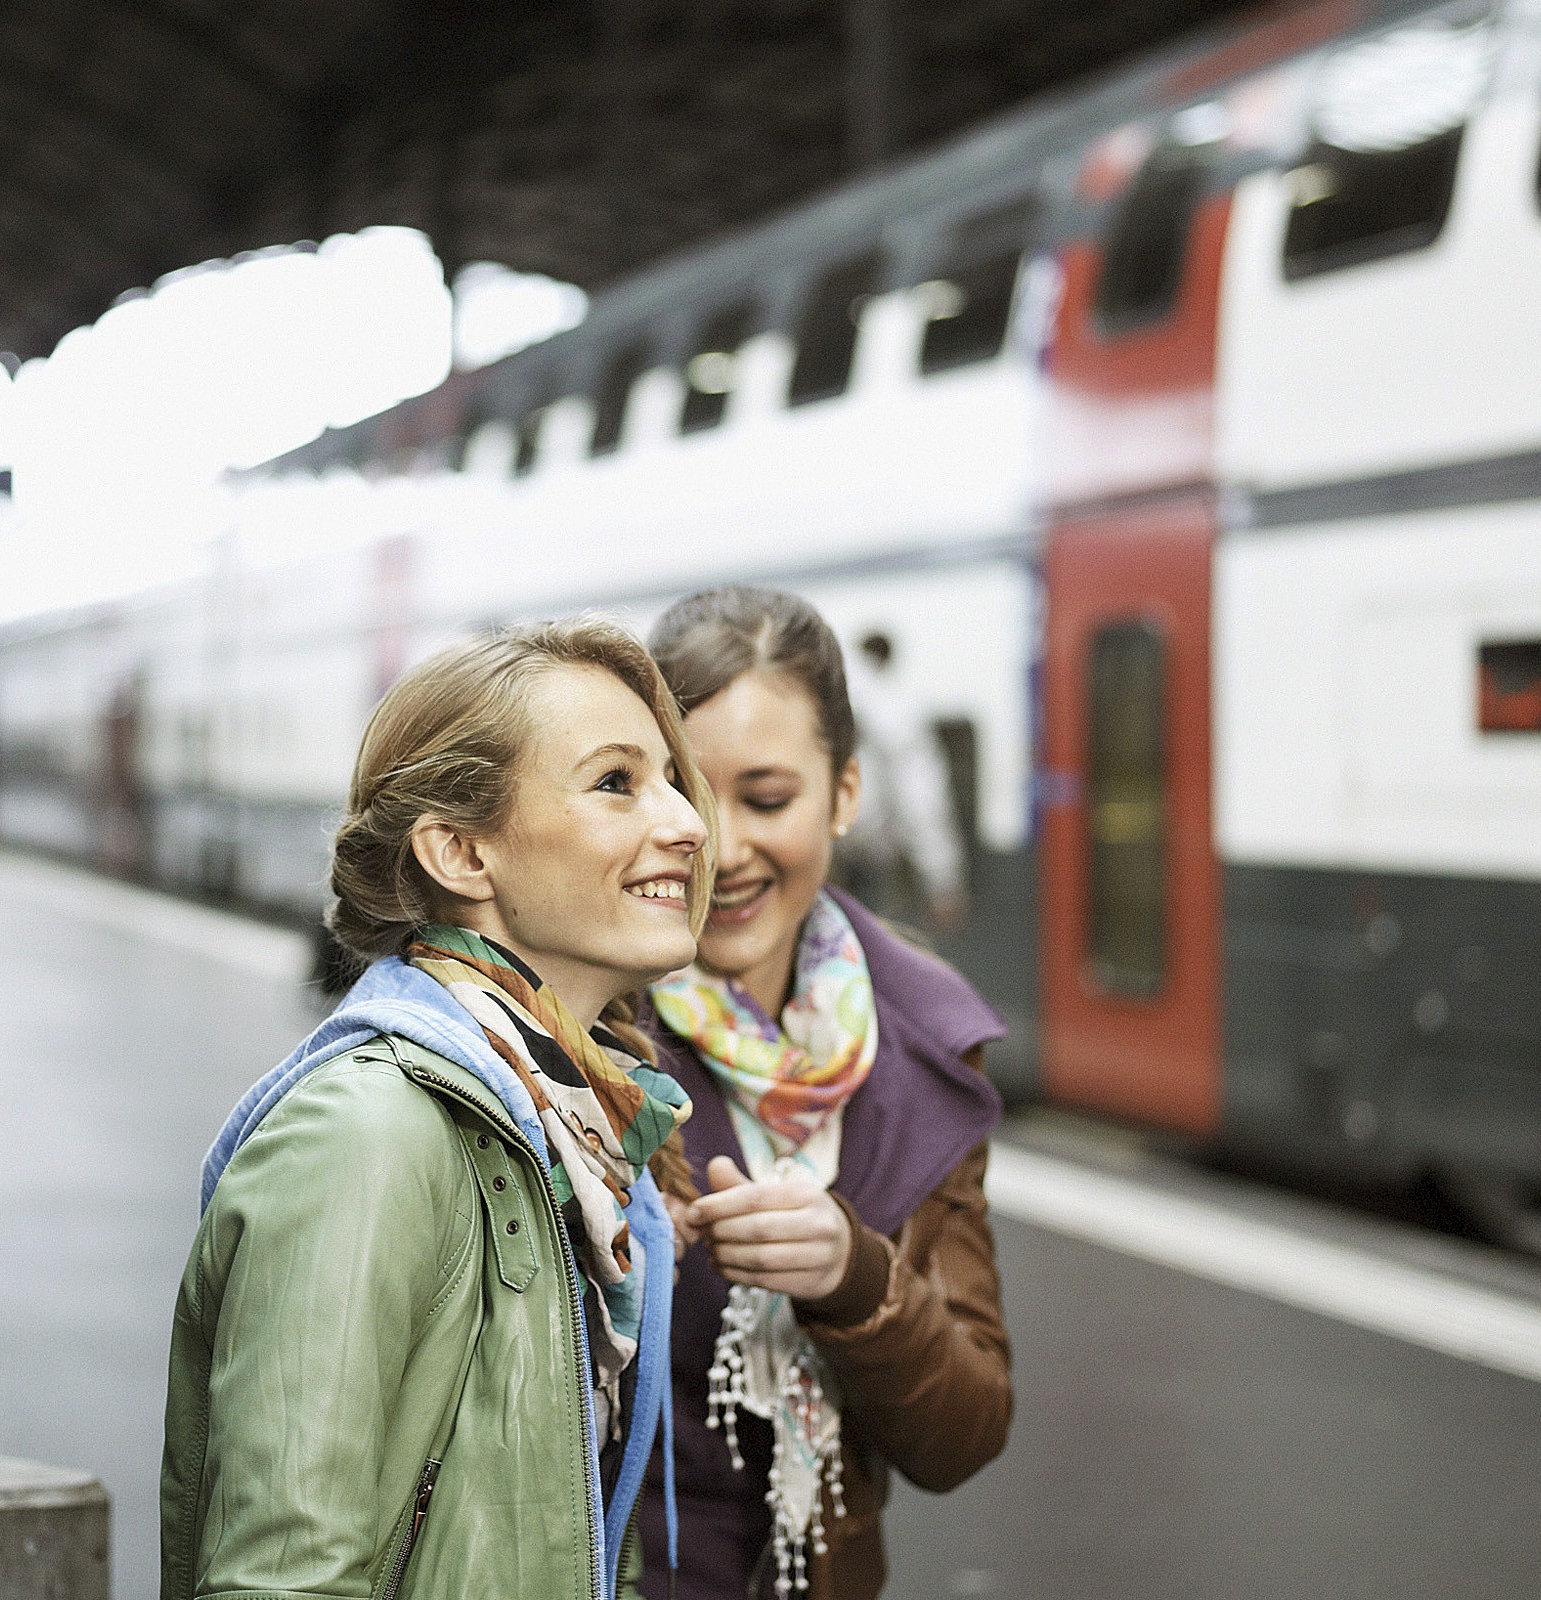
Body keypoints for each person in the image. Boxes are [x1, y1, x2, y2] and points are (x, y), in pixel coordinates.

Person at [160, 620, 713, 1600]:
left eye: (671, 777)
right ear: (459, 850)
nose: (687, 823)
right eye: (616, 782)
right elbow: (279, 1582)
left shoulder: (574, 1126)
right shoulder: (363, 1135)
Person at [640, 586, 1011, 1600]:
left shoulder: (925, 1045)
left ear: (845, 793)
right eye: (682, 797)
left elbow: (966, 1428)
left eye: (766, 799)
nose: (720, 848)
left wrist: (857, 1276)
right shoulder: (567, 1025)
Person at [835, 630, 969, 930]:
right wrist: (944, 882)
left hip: (839, 853)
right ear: (888, 659)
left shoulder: (837, 687)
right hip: (870, 860)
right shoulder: (888, 701)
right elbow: (920, 796)